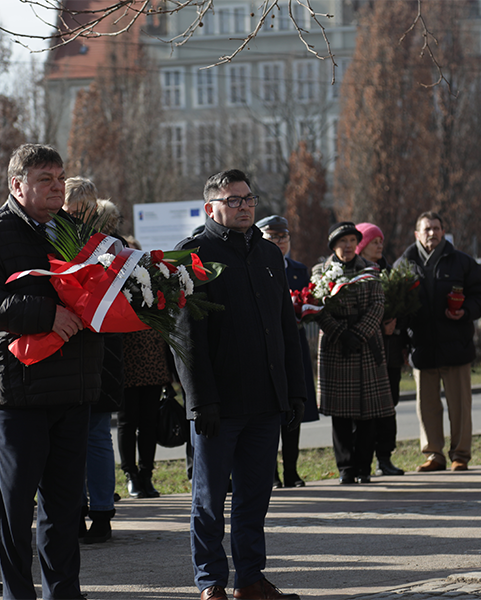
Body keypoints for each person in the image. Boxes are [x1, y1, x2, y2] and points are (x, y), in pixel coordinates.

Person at [0, 144, 104, 600]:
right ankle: (17, 593)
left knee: (64, 507)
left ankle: (64, 592)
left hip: (72, 386)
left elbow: (98, 287)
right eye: (45, 178)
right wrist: (47, 316)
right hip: (17, 391)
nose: (57, 186)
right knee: (15, 507)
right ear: (17, 186)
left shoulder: (77, 232)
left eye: (60, 177)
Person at [174, 169, 305, 600]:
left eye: (248, 198)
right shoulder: (192, 253)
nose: (245, 206)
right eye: (234, 200)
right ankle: (210, 583)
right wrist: (200, 400)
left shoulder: (268, 254)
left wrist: (295, 389)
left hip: (266, 400)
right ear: (211, 206)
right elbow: (186, 337)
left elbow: (286, 326)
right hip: (218, 406)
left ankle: (250, 578)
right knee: (209, 502)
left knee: (254, 499)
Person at [396, 212, 481, 473]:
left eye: (436, 228)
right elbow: (397, 306)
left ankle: (460, 455)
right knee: (427, 407)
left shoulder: (462, 263)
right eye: (426, 229)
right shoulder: (405, 264)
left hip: (456, 345)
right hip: (421, 347)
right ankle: (434, 454)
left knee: (459, 406)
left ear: (443, 232)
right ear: (416, 234)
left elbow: (480, 296)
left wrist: (465, 311)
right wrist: (402, 342)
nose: (431, 233)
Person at [64, 176, 122, 543]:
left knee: (93, 434)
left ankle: (95, 511)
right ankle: (85, 510)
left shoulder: (106, 246)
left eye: (80, 209)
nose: (75, 215)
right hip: (80, 342)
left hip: (95, 346)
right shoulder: (106, 243)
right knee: (81, 437)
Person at [314, 222, 395, 485]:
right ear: (333, 245)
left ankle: (364, 467)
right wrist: (340, 334)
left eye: (352, 240)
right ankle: (345, 467)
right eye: (342, 241)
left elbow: (377, 307)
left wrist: (358, 335)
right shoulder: (321, 273)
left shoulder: (370, 271)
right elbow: (317, 307)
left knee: (367, 413)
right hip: (337, 348)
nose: (347, 246)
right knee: (341, 414)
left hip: (366, 347)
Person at [256, 214, 319, 488]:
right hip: (266, 349)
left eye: (283, 236)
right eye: (272, 236)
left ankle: (291, 471)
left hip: (294, 346)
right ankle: (271, 474)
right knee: (269, 414)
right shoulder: (256, 267)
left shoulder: (298, 269)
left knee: (295, 408)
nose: (279, 241)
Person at [118, 236, 173, 500]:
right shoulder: (116, 288)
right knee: (128, 423)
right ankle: (131, 475)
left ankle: (147, 474)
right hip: (128, 366)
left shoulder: (154, 284)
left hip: (153, 365)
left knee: (149, 423)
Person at [354, 222, 404, 476]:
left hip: (390, 351)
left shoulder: (389, 272)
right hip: (366, 351)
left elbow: (404, 305)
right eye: (374, 241)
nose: (380, 245)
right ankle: (362, 459)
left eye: (381, 240)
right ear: (361, 245)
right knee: (365, 412)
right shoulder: (354, 272)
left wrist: (394, 323)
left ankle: (385, 457)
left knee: (388, 406)